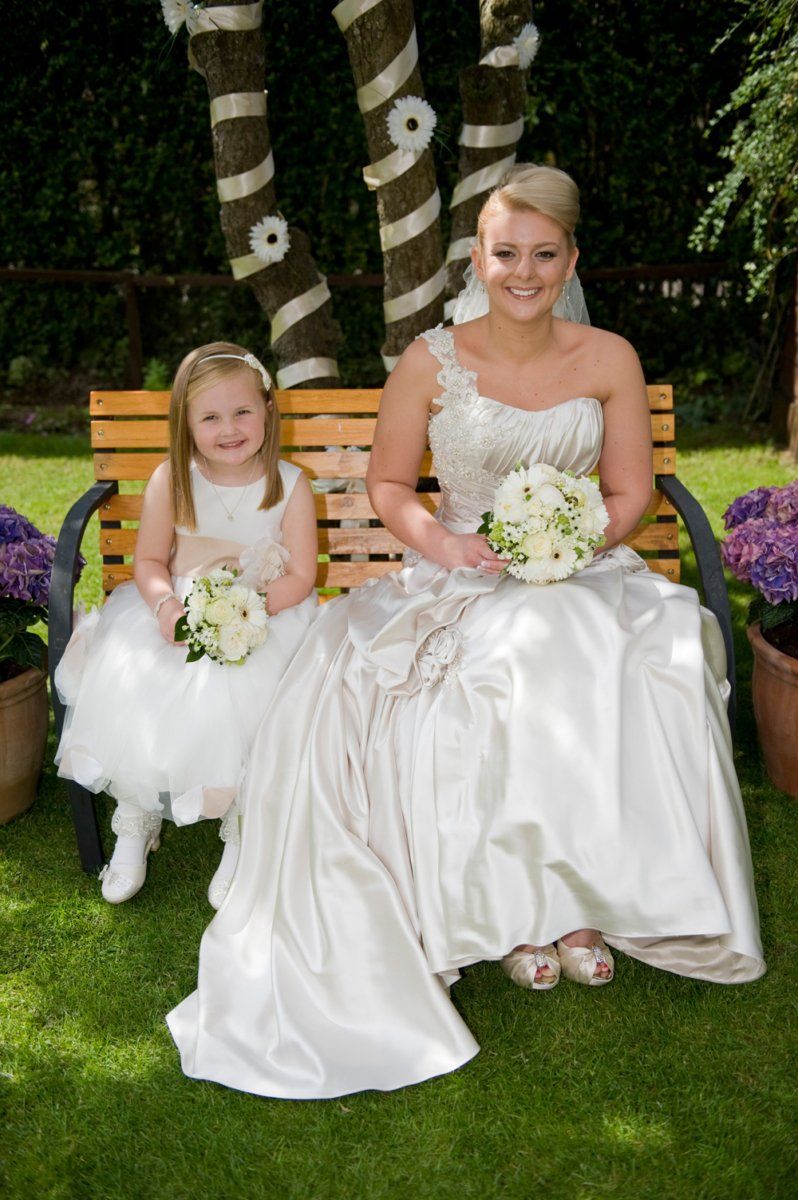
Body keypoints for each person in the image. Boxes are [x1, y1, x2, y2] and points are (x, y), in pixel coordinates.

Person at [167, 167, 765, 1099]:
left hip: (580, 569)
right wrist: (449, 542)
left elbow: (633, 493)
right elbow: (391, 488)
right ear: (478, 259)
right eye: (504, 253)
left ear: (569, 259)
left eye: (543, 254)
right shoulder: (431, 360)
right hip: (462, 570)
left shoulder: (608, 356)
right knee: (497, 666)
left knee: (619, 652)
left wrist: (571, 542)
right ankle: (517, 917)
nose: (522, 271)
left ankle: (582, 910)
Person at [55, 342, 317, 907]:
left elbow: (300, 574)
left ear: (267, 411)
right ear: (187, 424)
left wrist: (249, 614)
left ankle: (242, 826)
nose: (229, 428)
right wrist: (166, 609)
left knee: (249, 688)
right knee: (140, 677)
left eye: (242, 412)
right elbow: (149, 562)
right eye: (211, 417)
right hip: (178, 613)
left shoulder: (291, 485)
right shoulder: (170, 480)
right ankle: (137, 812)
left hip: (265, 614)